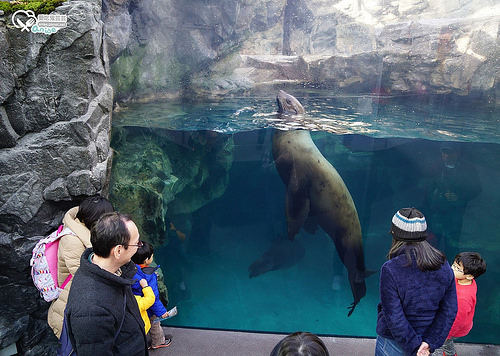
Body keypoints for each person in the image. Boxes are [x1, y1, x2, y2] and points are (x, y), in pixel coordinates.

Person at [375, 207, 458, 356]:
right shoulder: (443, 264)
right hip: (426, 342)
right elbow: (449, 310)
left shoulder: (390, 268)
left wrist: (414, 347)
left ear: (394, 233)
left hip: (395, 342)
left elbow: (393, 315)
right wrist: (429, 343)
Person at [65, 212, 148, 356]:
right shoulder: (91, 312)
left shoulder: (112, 271)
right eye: (137, 243)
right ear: (118, 250)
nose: (138, 247)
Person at [47, 194, 114, 338]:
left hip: (81, 300)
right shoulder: (72, 240)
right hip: (69, 304)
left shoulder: (84, 232)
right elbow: (83, 274)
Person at [423, 142, 481, 256]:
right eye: (444, 153)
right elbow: (426, 188)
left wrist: (459, 196)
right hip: (436, 213)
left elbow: (476, 189)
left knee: (452, 244)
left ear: (457, 153)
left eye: (450, 153)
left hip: (455, 214)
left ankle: (451, 270)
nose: (446, 156)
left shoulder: (468, 169)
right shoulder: (434, 167)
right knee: (433, 244)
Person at [431, 252, 486, 356]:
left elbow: (458, 321)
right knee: (447, 343)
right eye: (454, 265)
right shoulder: (465, 281)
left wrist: (445, 334)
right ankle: (450, 353)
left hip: (451, 328)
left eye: (457, 268)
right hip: (455, 326)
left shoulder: (463, 298)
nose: (452, 268)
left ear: (469, 276)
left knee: (436, 347)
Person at [132, 240, 172, 349]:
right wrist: (161, 311)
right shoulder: (149, 278)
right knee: (155, 326)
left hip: (136, 307)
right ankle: (158, 342)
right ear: (146, 260)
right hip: (149, 309)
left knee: (141, 326)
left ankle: (140, 344)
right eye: (152, 256)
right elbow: (153, 298)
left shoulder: (130, 269)